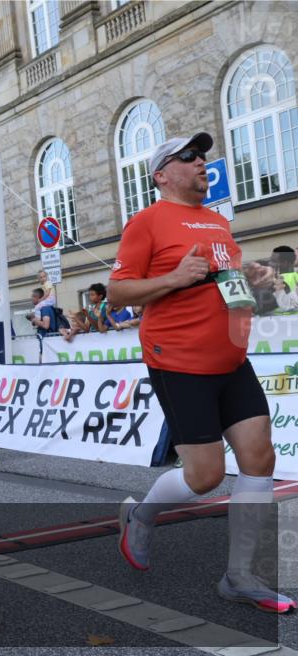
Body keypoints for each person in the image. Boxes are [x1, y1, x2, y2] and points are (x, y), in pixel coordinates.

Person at [109, 131, 295, 613]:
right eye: (188, 156)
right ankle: (142, 517)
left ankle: (240, 576)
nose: (201, 162)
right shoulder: (145, 222)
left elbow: (221, 286)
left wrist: (251, 279)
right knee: (206, 476)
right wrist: (173, 278)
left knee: (260, 460)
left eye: (204, 155)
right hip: (179, 362)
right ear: (162, 174)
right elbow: (117, 294)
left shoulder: (216, 222)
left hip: (232, 360)